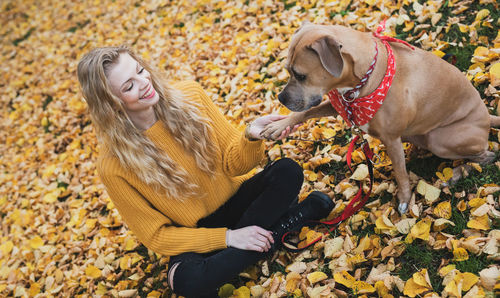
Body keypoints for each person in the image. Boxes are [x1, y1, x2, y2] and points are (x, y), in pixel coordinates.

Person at [77, 45, 334, 297]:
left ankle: (253, 243)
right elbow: (157, 236)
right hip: (198, 233)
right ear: (111, 105)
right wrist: (229, 238)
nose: (144, 82)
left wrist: (250, 136)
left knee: (287, 172)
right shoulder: (113, 165)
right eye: (129, 86)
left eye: (140, 71)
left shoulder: (191, 96)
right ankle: (286, 224)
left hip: (242, 201)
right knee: (185, 281)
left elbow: (233, 165)